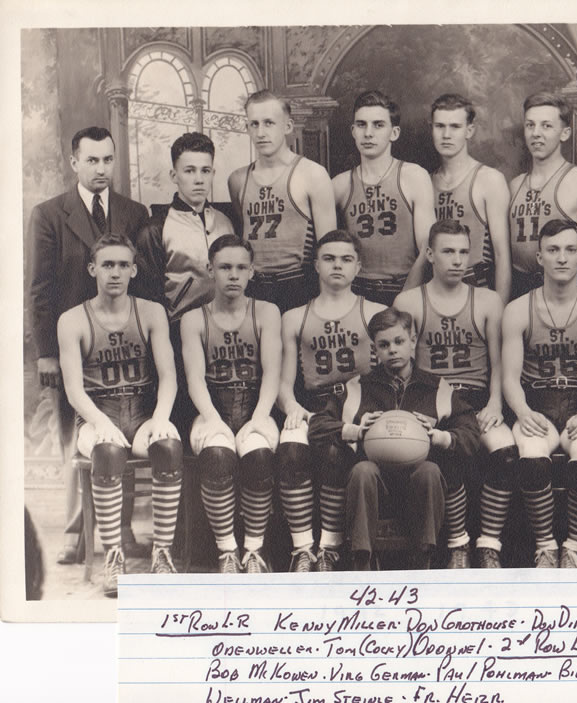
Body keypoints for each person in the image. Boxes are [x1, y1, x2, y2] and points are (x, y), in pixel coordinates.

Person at [29, 126, 149, 565]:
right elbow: (39, 289)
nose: (101, 169)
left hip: (122, 344)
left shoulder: (134, 214)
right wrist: (46, 352)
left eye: (107, 160)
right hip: (68, 344)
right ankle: (76, 532)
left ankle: (122, 529)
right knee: (72, 433)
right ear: (74, 162)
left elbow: (146, 283)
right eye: (92, 160)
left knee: (122, 425)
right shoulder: (49, 215)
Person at [57, 234, 183, 596]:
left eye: (123, 265)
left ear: (134, 269)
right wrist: (101, 423)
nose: (115, 272)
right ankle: (114, 556)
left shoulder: (150, 311)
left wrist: (160, 418)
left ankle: (162, 551)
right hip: (97, 411)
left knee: (169, 447)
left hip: (142, 410)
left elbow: (168, 377)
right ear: (92, 268)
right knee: (108, 452)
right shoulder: (72, 319)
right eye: (107, 264)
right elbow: (73, 390)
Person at [308, 308, 480, 570]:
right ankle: (361, 561)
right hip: (376, 488)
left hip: (420, 488)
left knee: (431, 470)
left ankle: (424, 560)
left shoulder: (436, 388)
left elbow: (470, 434)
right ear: (374, 349)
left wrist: (442, 438)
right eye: (384, 345)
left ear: (412, 342)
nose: (392, 350)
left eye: (399, 342)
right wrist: (354, 430)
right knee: (362, 470)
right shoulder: (358, 388)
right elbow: (317, 427)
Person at [394, 219, 512, 568]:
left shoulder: (488, 301)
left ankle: (489, 543)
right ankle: (458, 543)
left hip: (474, 398)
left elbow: (498, 361)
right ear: (430, 254)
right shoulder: (410, 301)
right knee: (445, 450)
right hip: (431, 398)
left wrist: (495, 402)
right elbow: (402, 364)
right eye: (448, 251)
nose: (458, 260)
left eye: (464, 252)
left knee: (505, 452)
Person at [501, 219, 577, 568]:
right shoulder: (518, 309)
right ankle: (546, 546)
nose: (561, 258)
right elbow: (508, 377)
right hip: (536, 402)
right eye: (553, 251)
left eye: (570, 250)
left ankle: (574, 548)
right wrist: (522, 412)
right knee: (532, 453)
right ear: (539, 257)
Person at [276, 229, 385, 572]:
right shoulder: (294, 316)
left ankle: (330, 547)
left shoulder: (376, 312)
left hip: (360, 407)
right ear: (316, 266)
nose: (338, 265)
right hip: (314, 405)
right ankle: (302, 548)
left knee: (339, 452)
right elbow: (282, 384)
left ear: (358, 267)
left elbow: (387, 377)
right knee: (292, 450)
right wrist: (293, 408)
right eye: (329, 258)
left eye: (346, 259)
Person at [180, 235, 281, 574]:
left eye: (241, 267)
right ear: (210, 270)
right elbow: (195, 379)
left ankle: (253, 549)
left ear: (252, 272)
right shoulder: (194, 319)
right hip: (212, 410)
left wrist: (259, 419)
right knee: (219, 455)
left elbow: (272, 374)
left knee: (258, 455)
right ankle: (227, 550)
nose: (233, 275)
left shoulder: (267, 311)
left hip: (256, 407)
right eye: (225, 267)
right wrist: (214, 421)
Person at [134, 132, 235, 444]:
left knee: (220, 425)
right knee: (183, 422)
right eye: (189, 171)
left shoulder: (227, 221)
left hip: (224, 338)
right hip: (177, 339)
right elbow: (148, 297)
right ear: (173, 175)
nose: (198, 179)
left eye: (205, 171)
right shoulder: (155, 228)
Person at [228, 90, 337, 311]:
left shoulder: (312, 174)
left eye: (269, 123)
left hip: (298, 287)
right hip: (254, 287)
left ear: (287, 126)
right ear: (246, 127)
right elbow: (244, 232)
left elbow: (329, 247)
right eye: (254, 124)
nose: (261, 132)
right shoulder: (237, 180)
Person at [333, 90, 435, 306]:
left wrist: (404, 299)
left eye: (378, 125)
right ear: (353, 131)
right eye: (361, 125)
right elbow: (330, 252)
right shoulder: (339, 185)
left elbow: (428, 247)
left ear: (394, 132)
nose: (368, 133)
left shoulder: (413, 176)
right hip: (356, 293)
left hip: (405, 287)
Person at [508, 93, 577, 302]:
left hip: (569, 294)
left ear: (564, 133)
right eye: (530, 125)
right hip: (521, 295)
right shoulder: (513, 186)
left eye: (546, 126)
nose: (536, 133)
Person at [430, 94, 511, 304]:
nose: (446, 134)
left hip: (476, 288)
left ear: (469, 130)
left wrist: (498, 310)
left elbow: (502, 256)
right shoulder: (425, 182)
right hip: (434, 291)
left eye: (455, 127)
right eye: (439, 126)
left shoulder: (489, 180)